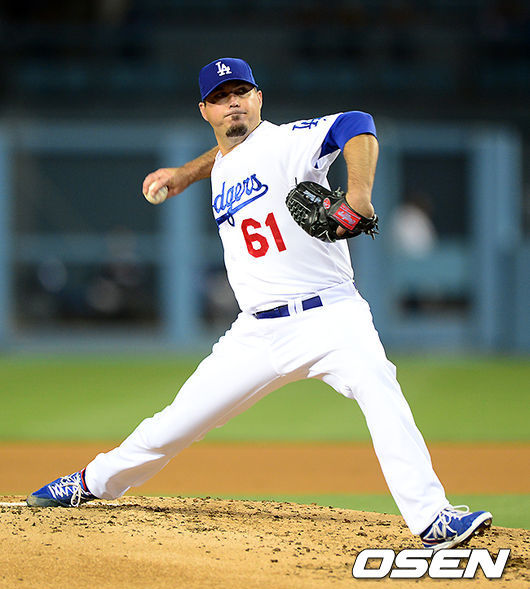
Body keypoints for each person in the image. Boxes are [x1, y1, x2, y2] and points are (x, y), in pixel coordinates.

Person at [27, 57, 492, 551]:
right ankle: (91, 481)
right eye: (221, 97)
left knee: (381, 391)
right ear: (205, 110)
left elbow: (357, 124)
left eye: (241, 92)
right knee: (175, 424)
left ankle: (432, 518)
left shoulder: (288, 141)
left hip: (331, 317)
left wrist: (358, 196)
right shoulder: (224, 164)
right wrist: (185, 174)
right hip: (257, 333)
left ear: (259, 98)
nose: (233, 103)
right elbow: (225, 155)